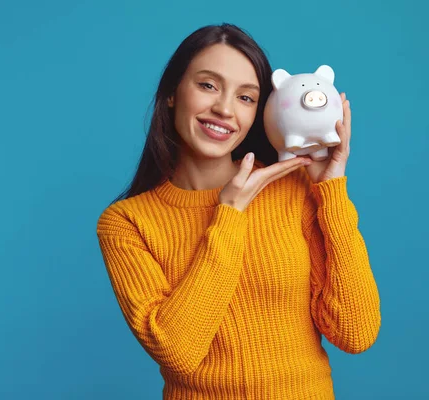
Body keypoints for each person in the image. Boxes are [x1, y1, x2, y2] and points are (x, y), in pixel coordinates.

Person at [96, 23, 381, 400]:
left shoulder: (292, 191)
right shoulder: (126, 223)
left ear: (258, 113)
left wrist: (331, 191)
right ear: (170, 93)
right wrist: (229, 213)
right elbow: (177, 351)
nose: (224, 109)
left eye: (246, 98)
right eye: (208, 85)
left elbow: (355, 331)